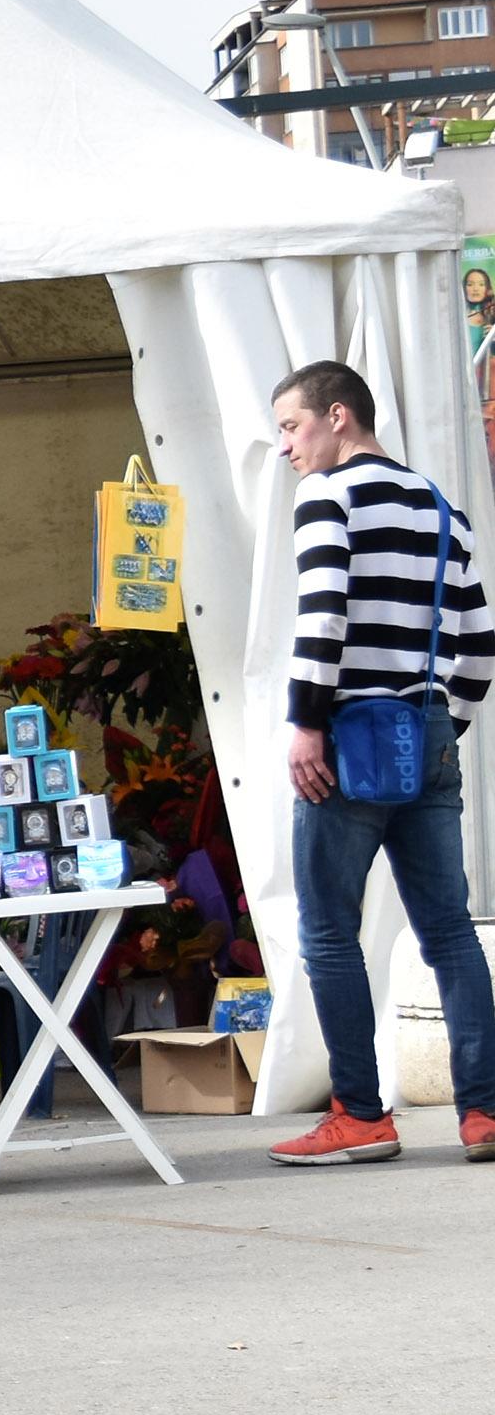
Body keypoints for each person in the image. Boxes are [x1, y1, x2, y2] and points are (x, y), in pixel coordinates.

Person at [265, 361, 495, 1166]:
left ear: (338, 416)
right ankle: (485, 1114)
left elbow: (321, 617)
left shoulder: (328, 498)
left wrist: (305, 726)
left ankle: (361, 1117)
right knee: (449, 935)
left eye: (292, 427)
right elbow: (478, 649)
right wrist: (440, 728)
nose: (285, 447)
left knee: (329, 931)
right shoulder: (441, 508)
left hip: (345, 738)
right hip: (426, 729)